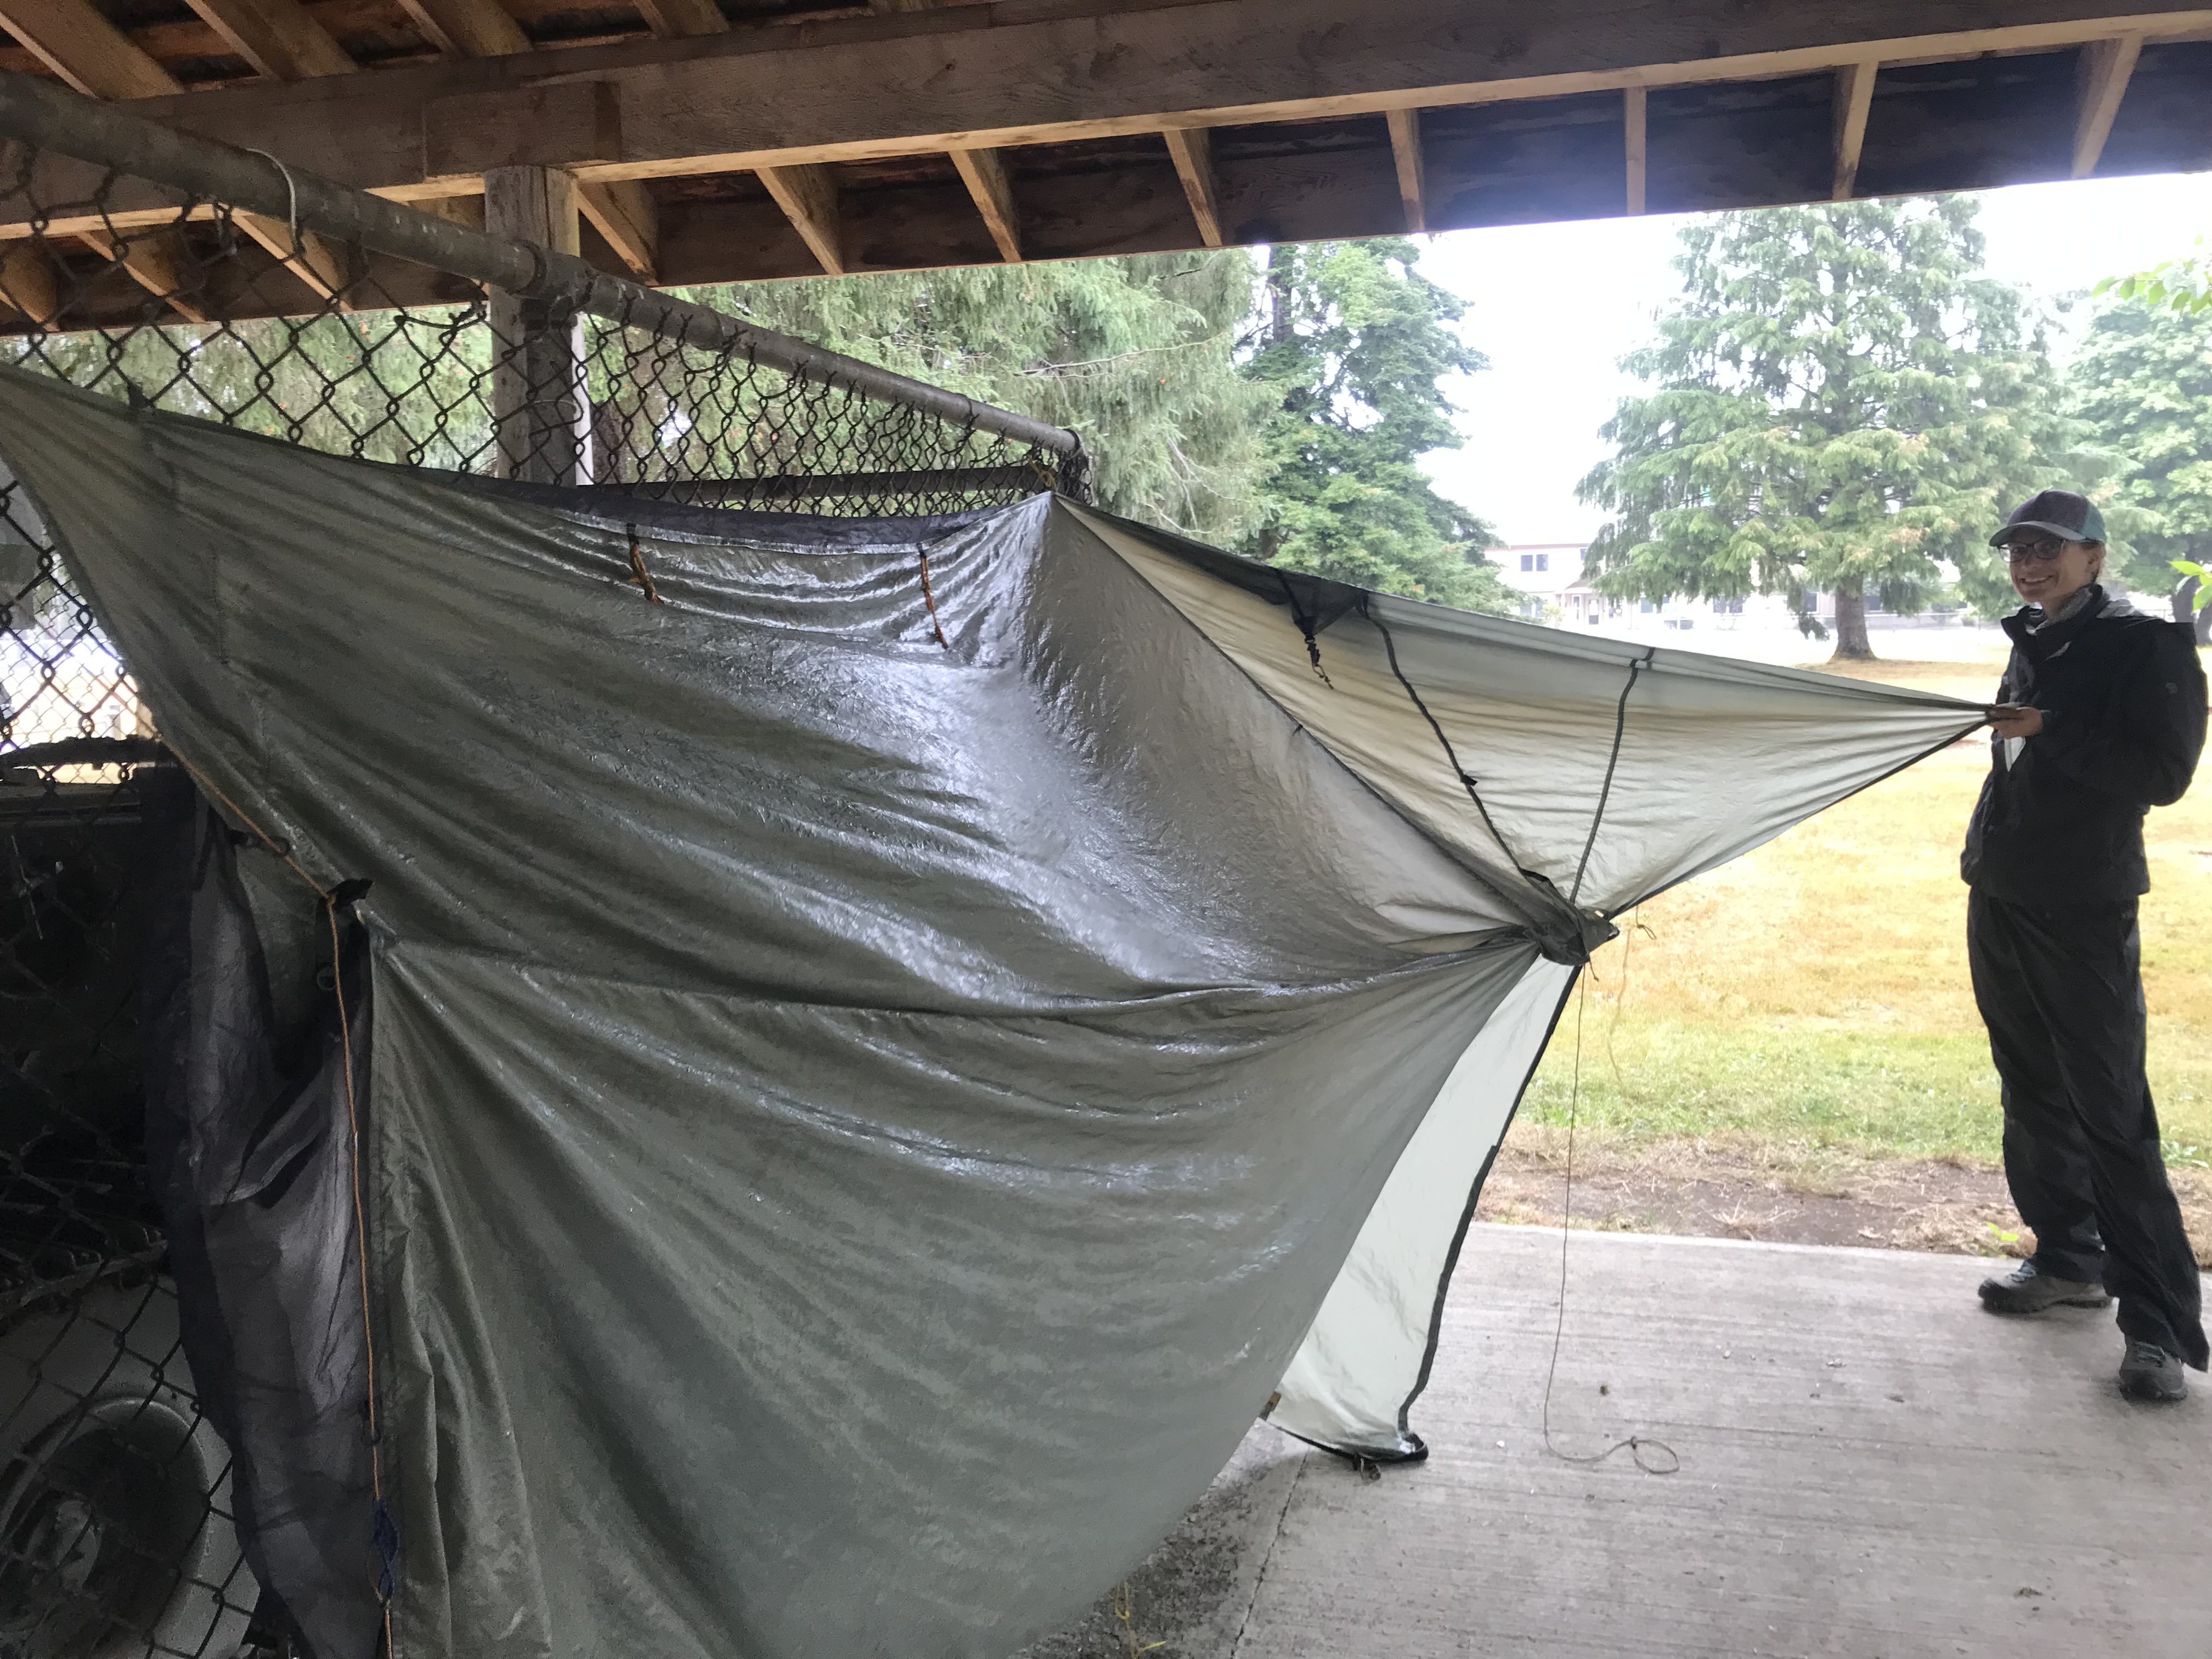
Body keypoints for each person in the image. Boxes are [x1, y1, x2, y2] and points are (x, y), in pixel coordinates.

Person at [1964, 488, 2208, 1403]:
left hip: (2085, 909)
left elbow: (2164, 775)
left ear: (2096, 557)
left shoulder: (2146, 645)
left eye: (2050, 549)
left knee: (2112, 1114)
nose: (2030, 563)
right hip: (2002, 895)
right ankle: (2068, 1260)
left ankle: (2157, 1331)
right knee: (2031, 1091)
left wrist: (2053, 732)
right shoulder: (2036, 639)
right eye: (2019, 550)